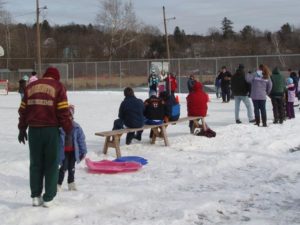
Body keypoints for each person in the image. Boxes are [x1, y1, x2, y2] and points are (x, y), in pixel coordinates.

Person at [18, 67, 73, 207]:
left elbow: (23, 110)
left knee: (35, 164)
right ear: (56, 77)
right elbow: (63, 111)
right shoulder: (58, 87)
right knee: (51, 164)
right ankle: (48, 198)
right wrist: (68, 128)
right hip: (50, 130)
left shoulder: (30, 87)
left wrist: (22, 129)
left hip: (34, 131)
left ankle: (35, 196)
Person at [57, 104, 87, 191]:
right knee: (63, 167)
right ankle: (58, 184)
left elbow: (81, 139)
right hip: (64, 152)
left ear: (72, 116)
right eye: (65, 116)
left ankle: (71, 183)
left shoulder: (76, 127)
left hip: (73, 152)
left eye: (69, 115)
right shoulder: (60, 128)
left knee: (72, 168)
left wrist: (83, 151)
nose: (68, 118)